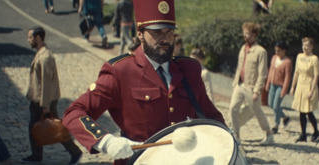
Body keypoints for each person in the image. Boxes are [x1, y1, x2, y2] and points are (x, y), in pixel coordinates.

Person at [62, 0, 225, 164]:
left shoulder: (189, 69)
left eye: (169, 32)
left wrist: (225, 141)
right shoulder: (120, 71)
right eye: (157, 32)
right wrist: (105, 141)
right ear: (140, 33)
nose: (165, 39)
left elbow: (211, 116)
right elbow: (74, 112)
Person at [22, 26, 83, 164]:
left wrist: (46, 106)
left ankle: (75, 152)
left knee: (56, 128)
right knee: (35, 127)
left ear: (38, 38)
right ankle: (36, 154)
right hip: (38, 99)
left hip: (42, 101)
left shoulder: (45, 57)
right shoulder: (41, 53)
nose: (28, 40)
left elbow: (47, 84)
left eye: (30, 37)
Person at [229, 22, 273, 145]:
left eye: (247, 33)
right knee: (233, 108)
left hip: (252, 88)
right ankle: (236, 136)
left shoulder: (261, 51)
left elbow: (263, 73)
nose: (244, 35)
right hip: (240, 85)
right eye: (244, 32)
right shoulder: (243, 48)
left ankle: (269, 134)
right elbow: (239, 67)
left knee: (257, 111)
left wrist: (257, 91)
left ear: (254, 34)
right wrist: (235, 84)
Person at [290, 37, 319, 142]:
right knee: (301, 111)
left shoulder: (314, 59)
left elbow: (316, 76)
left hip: (309, 85)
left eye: (307, 45)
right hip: (300, 85)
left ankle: (316, 131)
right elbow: (296, 72)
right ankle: (303, 134)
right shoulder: (299, 56)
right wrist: (293, 86)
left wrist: (312, 91)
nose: (305, 47)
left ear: (311, 46)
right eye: (303, 45)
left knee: (308, 111)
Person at [265, 41, 292, 134]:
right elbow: (270, 72)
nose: (276, 53)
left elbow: (287, 77)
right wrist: (268, 83)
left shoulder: (287, 62)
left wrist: (284, 90)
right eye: (276, 50)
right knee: (271, 104)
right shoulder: (273, 58)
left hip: (280, 86)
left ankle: (276, 125)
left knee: (276, 105)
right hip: (272, 84)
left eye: (279, 51)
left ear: (284, 51)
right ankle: (285, 117)